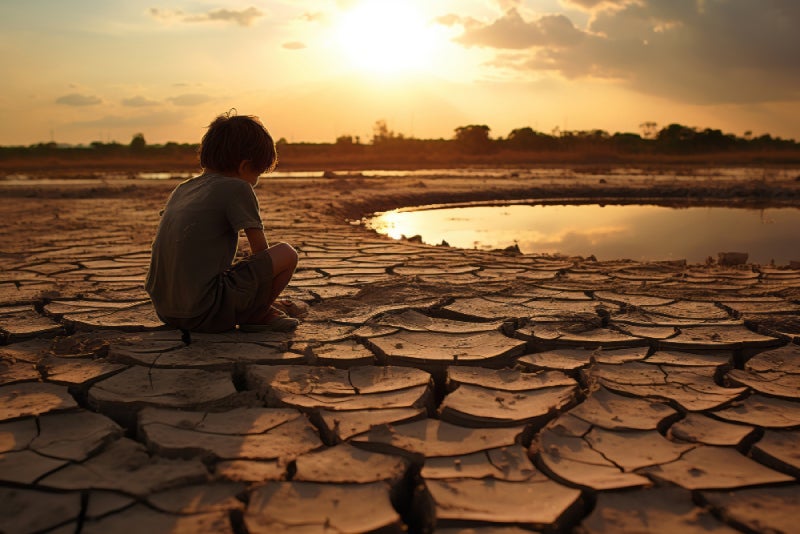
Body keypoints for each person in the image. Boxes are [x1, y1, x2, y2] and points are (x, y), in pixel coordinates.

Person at [145, 112, 299, 333]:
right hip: (204, 312)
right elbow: (261, 252)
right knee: (286, 253)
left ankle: (255, 308)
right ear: (245, 166)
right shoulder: (237, 188)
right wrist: (259, 296)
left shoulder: (184, 188)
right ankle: (258, 313)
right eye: (257, 174)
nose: (255, 182)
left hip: (166, 310)